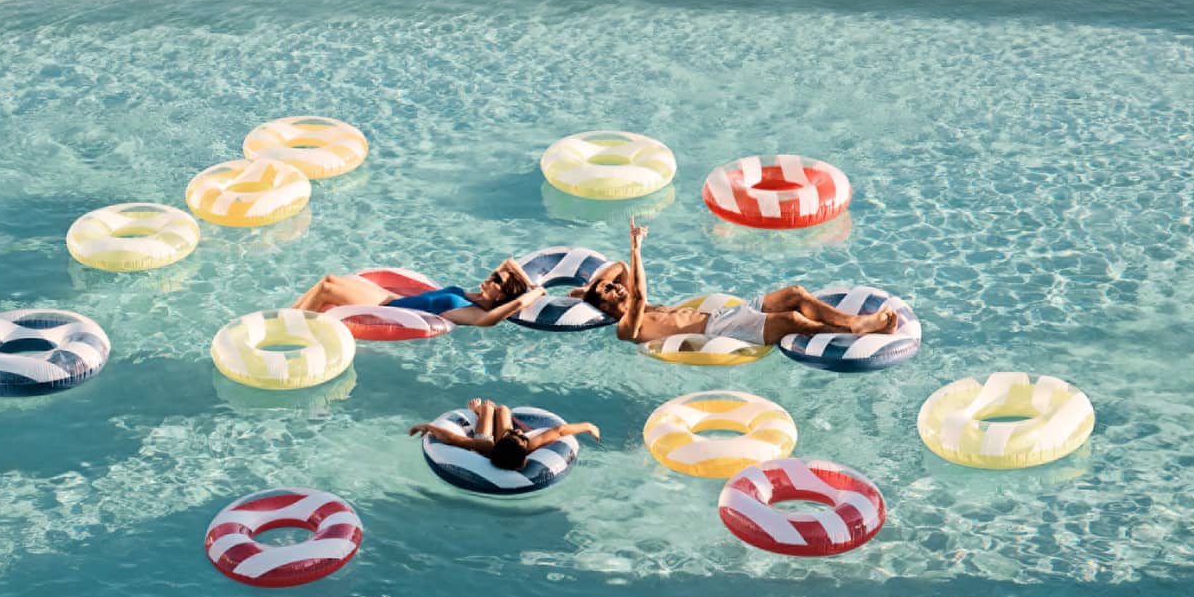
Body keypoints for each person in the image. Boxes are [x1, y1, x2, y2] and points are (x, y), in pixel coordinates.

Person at [571, 218, 900, 345]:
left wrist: (586, 290)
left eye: (612, 285)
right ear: (605, 306)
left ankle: (856, 323)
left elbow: (616, 268)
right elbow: (639, 296)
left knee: (795, 294)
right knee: (793, 320)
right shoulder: (625, 328)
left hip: (723, 316)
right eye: (608, 290)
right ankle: (852, 333)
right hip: (719, 332)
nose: (615, 285)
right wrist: (635, 246)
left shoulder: (621, 296)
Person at [292, 259, 546, 327]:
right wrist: (528, 282)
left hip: (388, 309)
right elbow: (509, 262)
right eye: (493, 275)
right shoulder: (473, 296)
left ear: (501, 295)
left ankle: (290, 325)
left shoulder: (474, 312)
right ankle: (288, 315)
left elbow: (493, 319)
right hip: (389, 297)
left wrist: (534, 294)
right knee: (328, 279)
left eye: (496, 280)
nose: (490, 277)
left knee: (327, 287)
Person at [408, 398, 601, 470]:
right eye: (519, 435)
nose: (519, 431)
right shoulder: (528, 447)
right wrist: (588, 426)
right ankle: (482, 411)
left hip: (486, 441)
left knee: (489, 408)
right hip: (500, 447)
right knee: (503, 410)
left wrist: (426, 426)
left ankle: (479, 411)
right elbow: (558, 431)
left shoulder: (487, 446)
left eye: (516, 434)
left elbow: (453, 439)